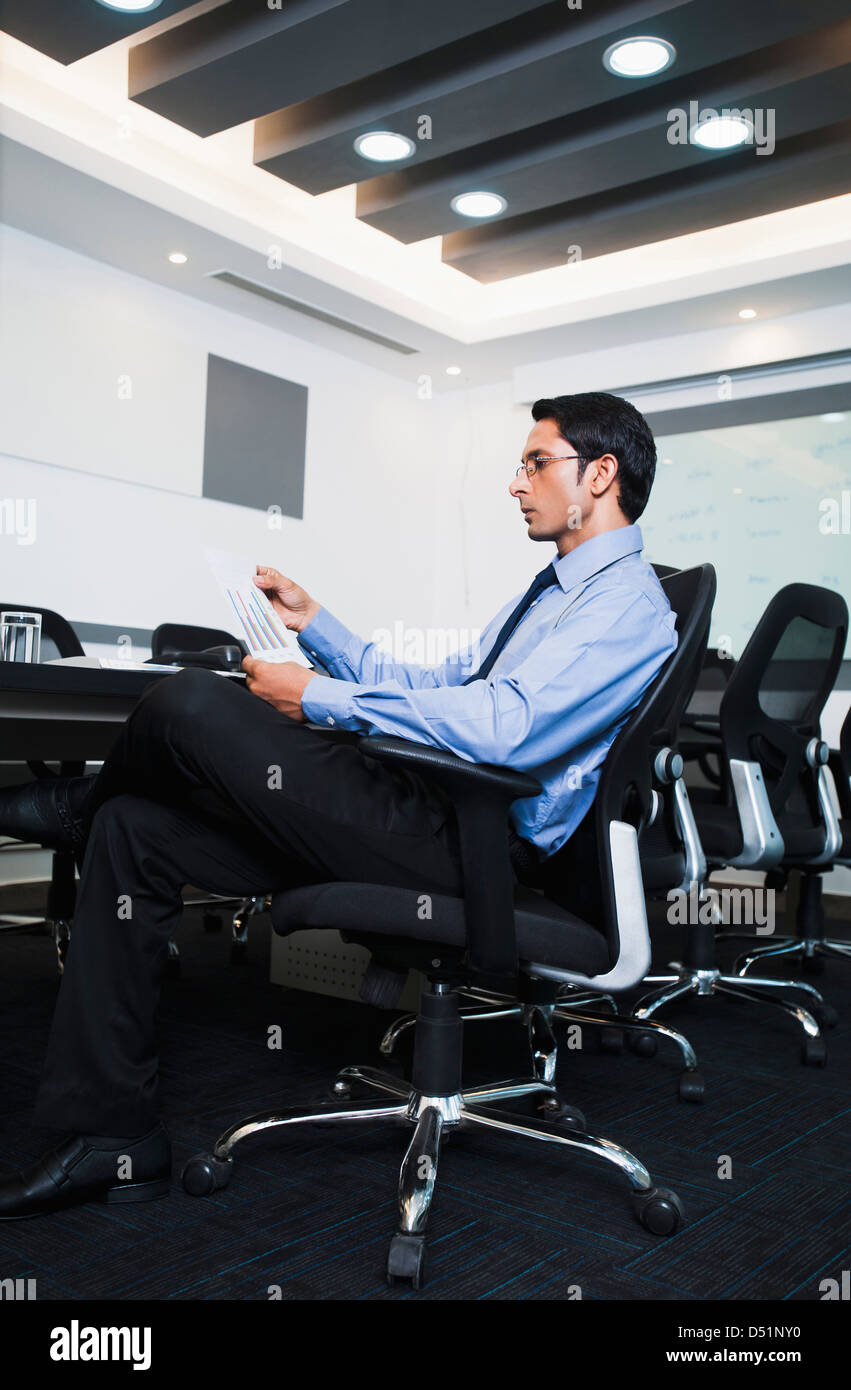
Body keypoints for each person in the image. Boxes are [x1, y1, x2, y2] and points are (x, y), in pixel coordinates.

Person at [0, 390, 677, 1218]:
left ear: (600, 474)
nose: (515, 483)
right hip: (416, 816)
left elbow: (509, 730)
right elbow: (440, 686)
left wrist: (319, 698)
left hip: (463, 842)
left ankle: (74, 803)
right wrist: (317, 626)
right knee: (132, 829)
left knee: (189, 702)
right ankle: (112, 1137)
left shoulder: (627, 604)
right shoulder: (553, 592)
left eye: (535, 462)